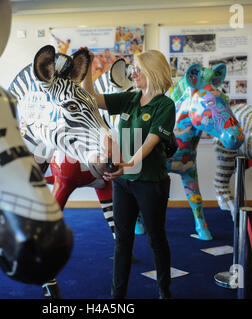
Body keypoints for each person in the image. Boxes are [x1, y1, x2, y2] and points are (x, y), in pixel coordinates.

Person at [81, 47, 176, 299]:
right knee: (122, 241)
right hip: (123, 182)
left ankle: (164, 291)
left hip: (150, 183)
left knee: (156, 238)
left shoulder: (165, 105)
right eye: (132, 69)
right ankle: (117, 296)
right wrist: (89, 68)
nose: (132, 74)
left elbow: (151, 142)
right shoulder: (130, 98)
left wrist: (127, 165)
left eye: (137, 69)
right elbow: (90, 97)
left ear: (152, 72)